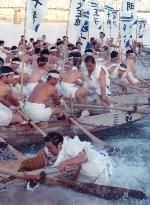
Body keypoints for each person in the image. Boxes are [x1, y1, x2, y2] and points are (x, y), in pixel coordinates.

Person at [38, 132, 114, 185]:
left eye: (50, 148)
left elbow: (83, 157)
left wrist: (65, 162)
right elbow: (41, 151)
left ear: (59, 145)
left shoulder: (70, 146)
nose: (48, 150)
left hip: (101, 170)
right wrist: (43, 159)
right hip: (85, 177)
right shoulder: (52, 147)